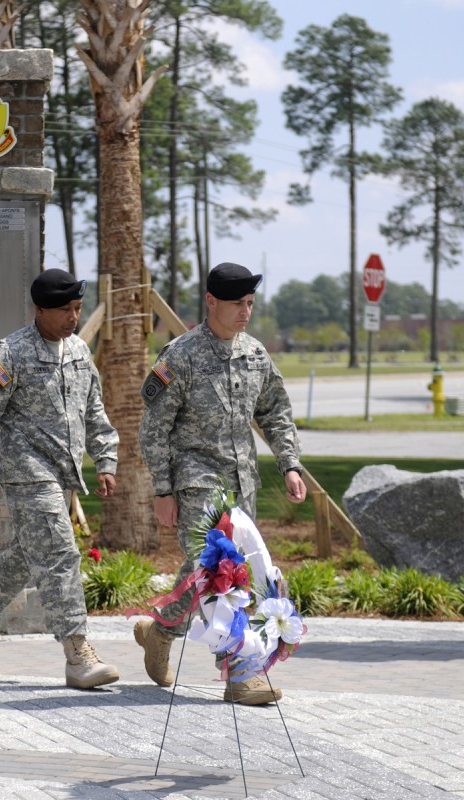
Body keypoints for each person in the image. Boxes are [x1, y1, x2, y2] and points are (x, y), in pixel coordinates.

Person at [0, 269, 120, 689]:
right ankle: (77, 654)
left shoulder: (77, 351)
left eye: (77, 309)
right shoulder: (10, 354)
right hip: (27, 472)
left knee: (27, 555)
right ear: (38, 310)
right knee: (59, 553)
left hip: (62, 473)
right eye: (64, 311)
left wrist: (106, 461)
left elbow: (94, 410)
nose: (73, 318)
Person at [134, 262, 306, 705]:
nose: (245, 312)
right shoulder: (180, 355)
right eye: (237, 303)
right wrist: (163, 490)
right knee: (224, 573)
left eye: (250, 303)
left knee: (202, 573)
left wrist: (289, 464)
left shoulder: (255, 354)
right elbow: (154, 428)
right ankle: (241, 673)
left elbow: (276, 413)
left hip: (241, 484)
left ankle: (160, 632)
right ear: (211, 301)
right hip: (197, 483)